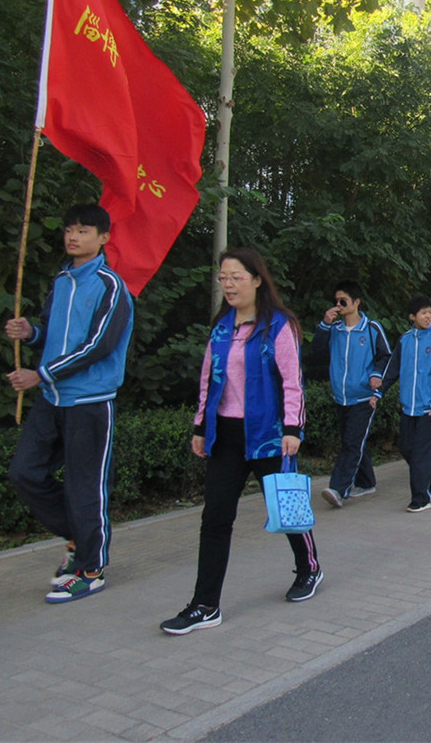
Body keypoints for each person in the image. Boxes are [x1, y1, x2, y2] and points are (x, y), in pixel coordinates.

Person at [160, 248, 317, 635]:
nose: (228, 284)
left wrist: (293, 429)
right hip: (225, 436)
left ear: (257, 279)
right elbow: (207, 380)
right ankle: (205, 605)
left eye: (236, 277)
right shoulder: (221, 327)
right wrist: (200, 426)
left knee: (286, 509)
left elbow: (293, 381)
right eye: (223, 277)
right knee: (215, 518)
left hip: (267, 434)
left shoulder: (279, 326)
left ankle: (309, 566)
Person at [6, 203, 134, 604]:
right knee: (24, 472)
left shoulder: (111, 286)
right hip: (52, 398)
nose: (73, 237)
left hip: (90, 401)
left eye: (82, 230)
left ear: (103, 238)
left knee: (86, 487)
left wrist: (40, 374)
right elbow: (53, 334)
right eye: (69, 229)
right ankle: (80, 540)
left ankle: (91, 569)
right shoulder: (61, 281)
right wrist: (30, 333)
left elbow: (98, 346)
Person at [315, 280, 391, 508]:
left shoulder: (371, 328)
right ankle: (366, 482)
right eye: (336, 301)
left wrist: (377, 374)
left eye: (343, 301)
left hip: (363, 397)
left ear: (356, 302)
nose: (338, 305)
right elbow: (317, 351)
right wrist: (325, 323)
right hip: (341, 397)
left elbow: (386, 356)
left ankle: (339, 488)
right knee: (355, 441)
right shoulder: (335, 330)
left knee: (351, 443)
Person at [372, 295, 431, 512]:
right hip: (409, 407)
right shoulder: (404, 340)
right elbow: (392, 370)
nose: (428, 316)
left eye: (430, 313)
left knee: (420, 456)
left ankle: (420, 498)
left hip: (429, 410)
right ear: (412, 316)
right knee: (406, 448)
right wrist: (378, 393)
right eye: (423, 313)